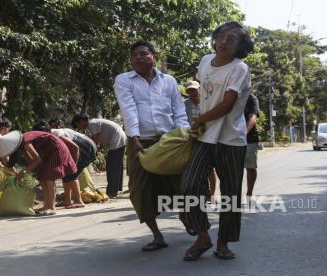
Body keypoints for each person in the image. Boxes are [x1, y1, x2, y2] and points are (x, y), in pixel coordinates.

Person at [180, 21, 254, 261]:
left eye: (232, 39)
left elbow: (228, 104)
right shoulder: (204, 61)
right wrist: (199, 118)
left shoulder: (239, 68)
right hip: (205, 136)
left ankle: (223, 243)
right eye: (222, 36)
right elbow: (204, 92)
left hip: (231, 139)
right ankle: (203, 236)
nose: (224, 41)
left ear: (240, 46)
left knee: (230, 194)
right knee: (189, 185)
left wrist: (200, 119)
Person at [114, 40, 190, 251]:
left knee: (183, 184)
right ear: (130, 60)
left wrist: (183, 135)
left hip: (169, 140)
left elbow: (179, 110)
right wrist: (134, 138)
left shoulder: (169, 81)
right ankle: (157, 235)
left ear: (154, 56)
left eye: (144, 53)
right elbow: (128, 109)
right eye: (134, 55)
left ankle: (187, 217)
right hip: (140, 142)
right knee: (140, 189)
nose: (139, 57)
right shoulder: (124, 80)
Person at [33, 121, 97, 208]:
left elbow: (75, 147)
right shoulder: (47, 136)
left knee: (72, 174)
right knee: (67, 174)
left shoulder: (56, 134)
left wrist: (74, 164)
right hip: (82, 146)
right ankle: (67, 200)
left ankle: (79, 201)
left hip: (85, 147)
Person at [13, 131, 77, 216]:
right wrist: (25, 170)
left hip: (56, 149)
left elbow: (37, 160)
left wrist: (24, 171)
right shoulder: (21, 146)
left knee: (49, 177)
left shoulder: (25, 140)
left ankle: (52, 207)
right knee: (42, 177)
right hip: (47, 153)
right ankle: (46, 206)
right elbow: (32, 161)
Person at [72, 115, 127, 198]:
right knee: (116, 166)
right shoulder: (94, 122)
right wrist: (99, 148)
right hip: (118, 140)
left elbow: (95, 139)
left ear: (81, 121)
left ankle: (112, 192)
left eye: (78, 125)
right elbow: (100, 137)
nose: (79, 128)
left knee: (112, 167)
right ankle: (116, 189)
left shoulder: (92, 124)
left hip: (117, 141)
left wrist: (90, 151)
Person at [184, 81, 218, 202]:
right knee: (191, 166)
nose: (192, 93)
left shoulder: (207, 103)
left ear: (200, 90)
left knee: (209, 167)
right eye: (189, 91)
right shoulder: (184, 105)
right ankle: (197, 192)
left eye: (194, 90)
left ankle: (211, 193)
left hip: (207, 137)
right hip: (190, 138)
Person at [244, 93, 259, 198]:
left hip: (249, 139)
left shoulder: (251, 98)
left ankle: (249, 193)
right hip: (231, 138)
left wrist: (243, 133)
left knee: (250, 167)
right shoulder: (231, 96)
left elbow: (253, 118)